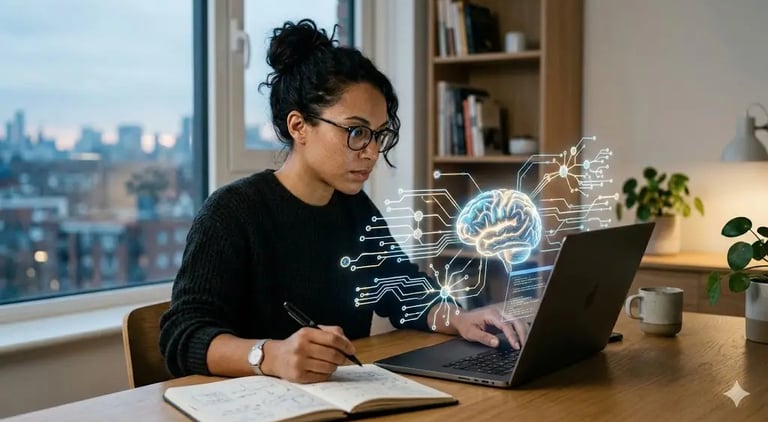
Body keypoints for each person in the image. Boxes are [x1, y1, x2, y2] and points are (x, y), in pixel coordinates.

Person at [159, 18, 527, 384]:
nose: (370, 152)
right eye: (356, 131)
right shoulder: (231, 213)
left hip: (340, 397)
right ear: (299, 126)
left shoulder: (354, 210)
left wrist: (459, 318)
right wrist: (271, 355)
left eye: (378, 135)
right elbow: (182, 336)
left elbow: (404, 288)